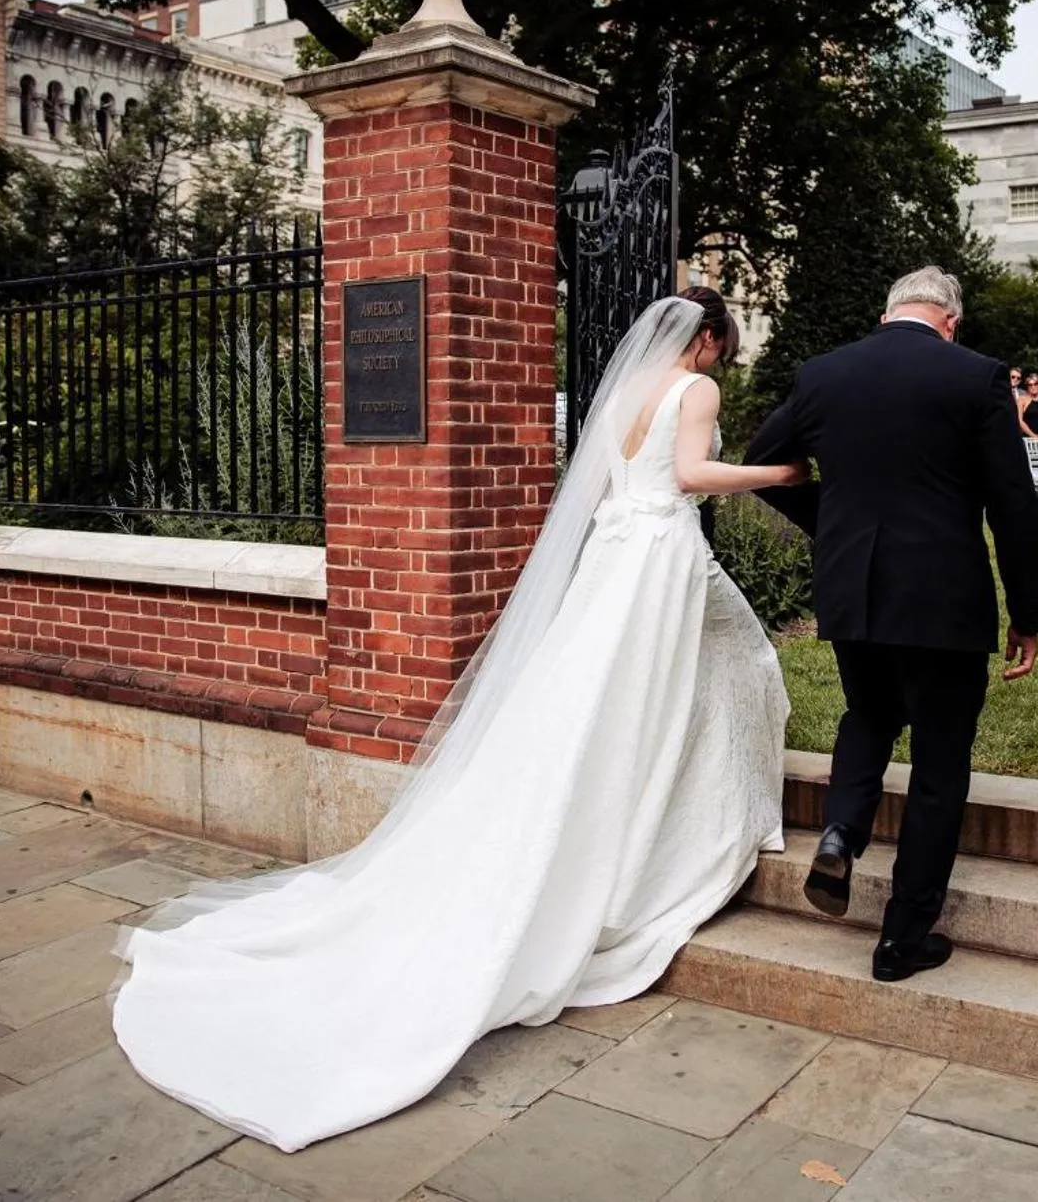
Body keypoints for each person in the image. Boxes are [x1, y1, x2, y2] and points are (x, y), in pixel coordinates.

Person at [111, 287, 805, 1152]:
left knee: (625, 692)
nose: (717, 367)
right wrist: (780, 474)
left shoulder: (624, 390)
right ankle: (708, 818)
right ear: (705, 340)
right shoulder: (691, 389)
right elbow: (694, 475)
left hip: (621, 555)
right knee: (718, 670)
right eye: (720, 351)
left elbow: (601, 490)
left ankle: (701, 795)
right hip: (658, 553)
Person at [747, 265, 1038, 985]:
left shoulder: (825, 373)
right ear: (950, 320)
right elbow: (1013, 503)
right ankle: (902, 938)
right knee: (940, 765)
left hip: (854, 587)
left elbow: (760, 459)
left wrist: (835, 525)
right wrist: (1027, 612)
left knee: (868, 713)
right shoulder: (975, 377)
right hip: (944, 599)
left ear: (888, 312)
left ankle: (843, 831)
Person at [1021, 373, 1038, 440]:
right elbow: (1019, 420)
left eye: (1036, 384)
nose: (1033, 386)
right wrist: (1033, 436)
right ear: (1027, 386)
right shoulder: (1021, 399)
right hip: (1027, 439)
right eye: (1030, 385)